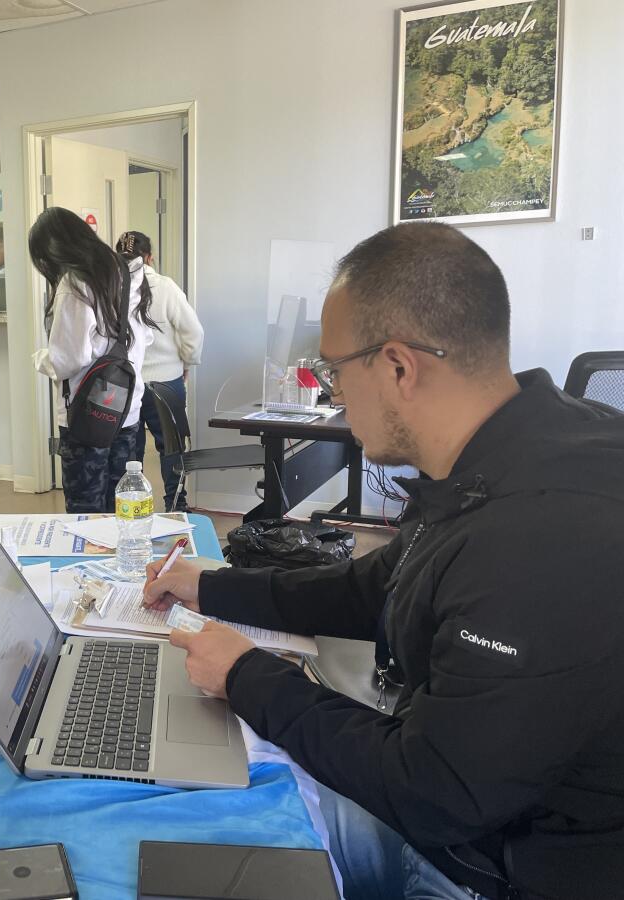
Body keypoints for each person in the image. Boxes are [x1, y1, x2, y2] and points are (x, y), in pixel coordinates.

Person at [143, 223, 624, 900]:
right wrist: (215, 587)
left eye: (335, 371)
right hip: (468, 788)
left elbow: (436, 791)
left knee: (197, 829)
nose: (332, 392)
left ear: (398, 367)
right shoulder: (504, 452)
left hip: (502, 864)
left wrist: (247, 676)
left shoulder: (541, 537)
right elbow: (376, 588)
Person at [30, 207, 157, 513]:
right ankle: (124, 559)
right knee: (123, 504)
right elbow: (143, 338)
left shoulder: (76, 282)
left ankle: (91, 561)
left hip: (85, 415)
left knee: (85, 511)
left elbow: (68, 357)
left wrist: (40, 359)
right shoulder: (127, 271)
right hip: (125, 408)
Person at [116, 231, 203, 511]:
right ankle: (176, 504)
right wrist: (186, 363)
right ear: (150, 257)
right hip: (166, 383)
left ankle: (133, 505)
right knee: (172, 447)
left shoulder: (112, 287)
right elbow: (193, 332)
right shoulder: (166, 287)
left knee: (131, 450)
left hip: (126, 384)